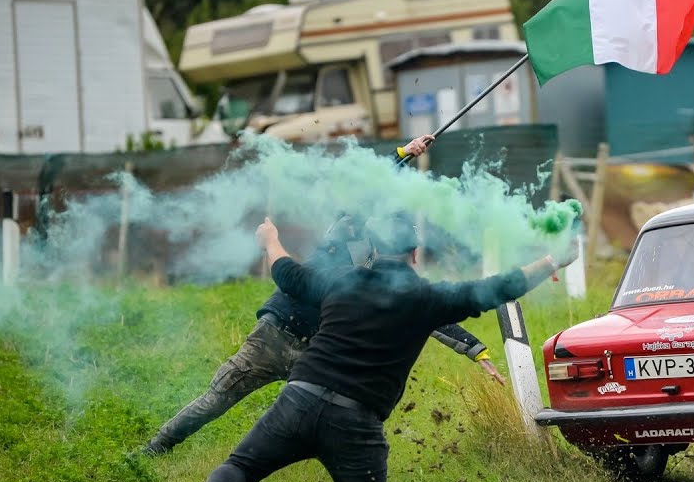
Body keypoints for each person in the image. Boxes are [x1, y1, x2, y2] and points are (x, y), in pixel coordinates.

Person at [158, 211, 577, 482]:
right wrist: (551, 260)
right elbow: (497, 289)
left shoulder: (341, 281)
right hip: (355, 422)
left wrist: (270, 239)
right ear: (415, 254)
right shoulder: (428, 298)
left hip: (298, 398)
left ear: (373, 249)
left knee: (241, 466)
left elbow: (286, 272)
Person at [141, 135, 504, 456]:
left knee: (335, 412)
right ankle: (157, 447)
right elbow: (369, 188)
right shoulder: (346, 230)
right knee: (218, 398)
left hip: (317, 352)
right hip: (274, 334)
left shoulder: (386, 276)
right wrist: (403, 154)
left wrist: (475, 350)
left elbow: (424, 309)